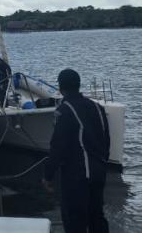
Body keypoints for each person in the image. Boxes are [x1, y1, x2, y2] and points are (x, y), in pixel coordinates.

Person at [42, 69, 110, 233]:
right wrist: (102, 165)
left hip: (77, 177)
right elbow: (106, 140)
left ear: (61, 87)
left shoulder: (64, 110)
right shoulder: (98, 107)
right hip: (98, 173)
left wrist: (47, 176)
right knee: (97, 217)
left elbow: (58, 146)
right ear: (78, 85)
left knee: (74, 220)